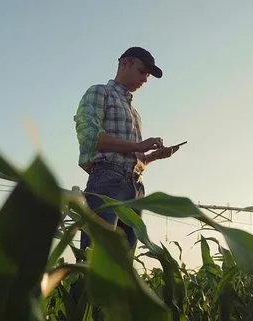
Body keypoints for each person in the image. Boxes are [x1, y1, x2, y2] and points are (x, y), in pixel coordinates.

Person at [73, 46, 180, 255]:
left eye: (148, 75)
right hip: (107, 182)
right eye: (142, 72)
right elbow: (90, 138)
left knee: (122, 267)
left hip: (135, 188)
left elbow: (131, 157)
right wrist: (138, 146)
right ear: (125, 63)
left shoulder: (134, 113)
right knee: (94, 259)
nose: (145, 80)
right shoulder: (99, 92)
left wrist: (151, 157)